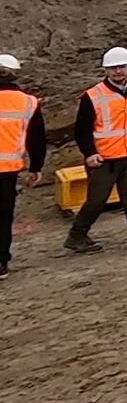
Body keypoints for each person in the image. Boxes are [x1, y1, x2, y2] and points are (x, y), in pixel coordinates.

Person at [65, 47, 127, 253]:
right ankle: (77, 236)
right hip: (104, 158)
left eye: (122, 67)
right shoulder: (93, 95)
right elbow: (82, 130)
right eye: (113, 68)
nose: (118, 71)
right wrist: (89, 153)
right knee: (96, 200)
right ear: (106, 70)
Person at [0, 54, 47, 278]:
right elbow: (36, 139)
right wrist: (36, 167)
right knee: (3, 217)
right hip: (8, 169)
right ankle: (1, 262)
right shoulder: (28, 102)